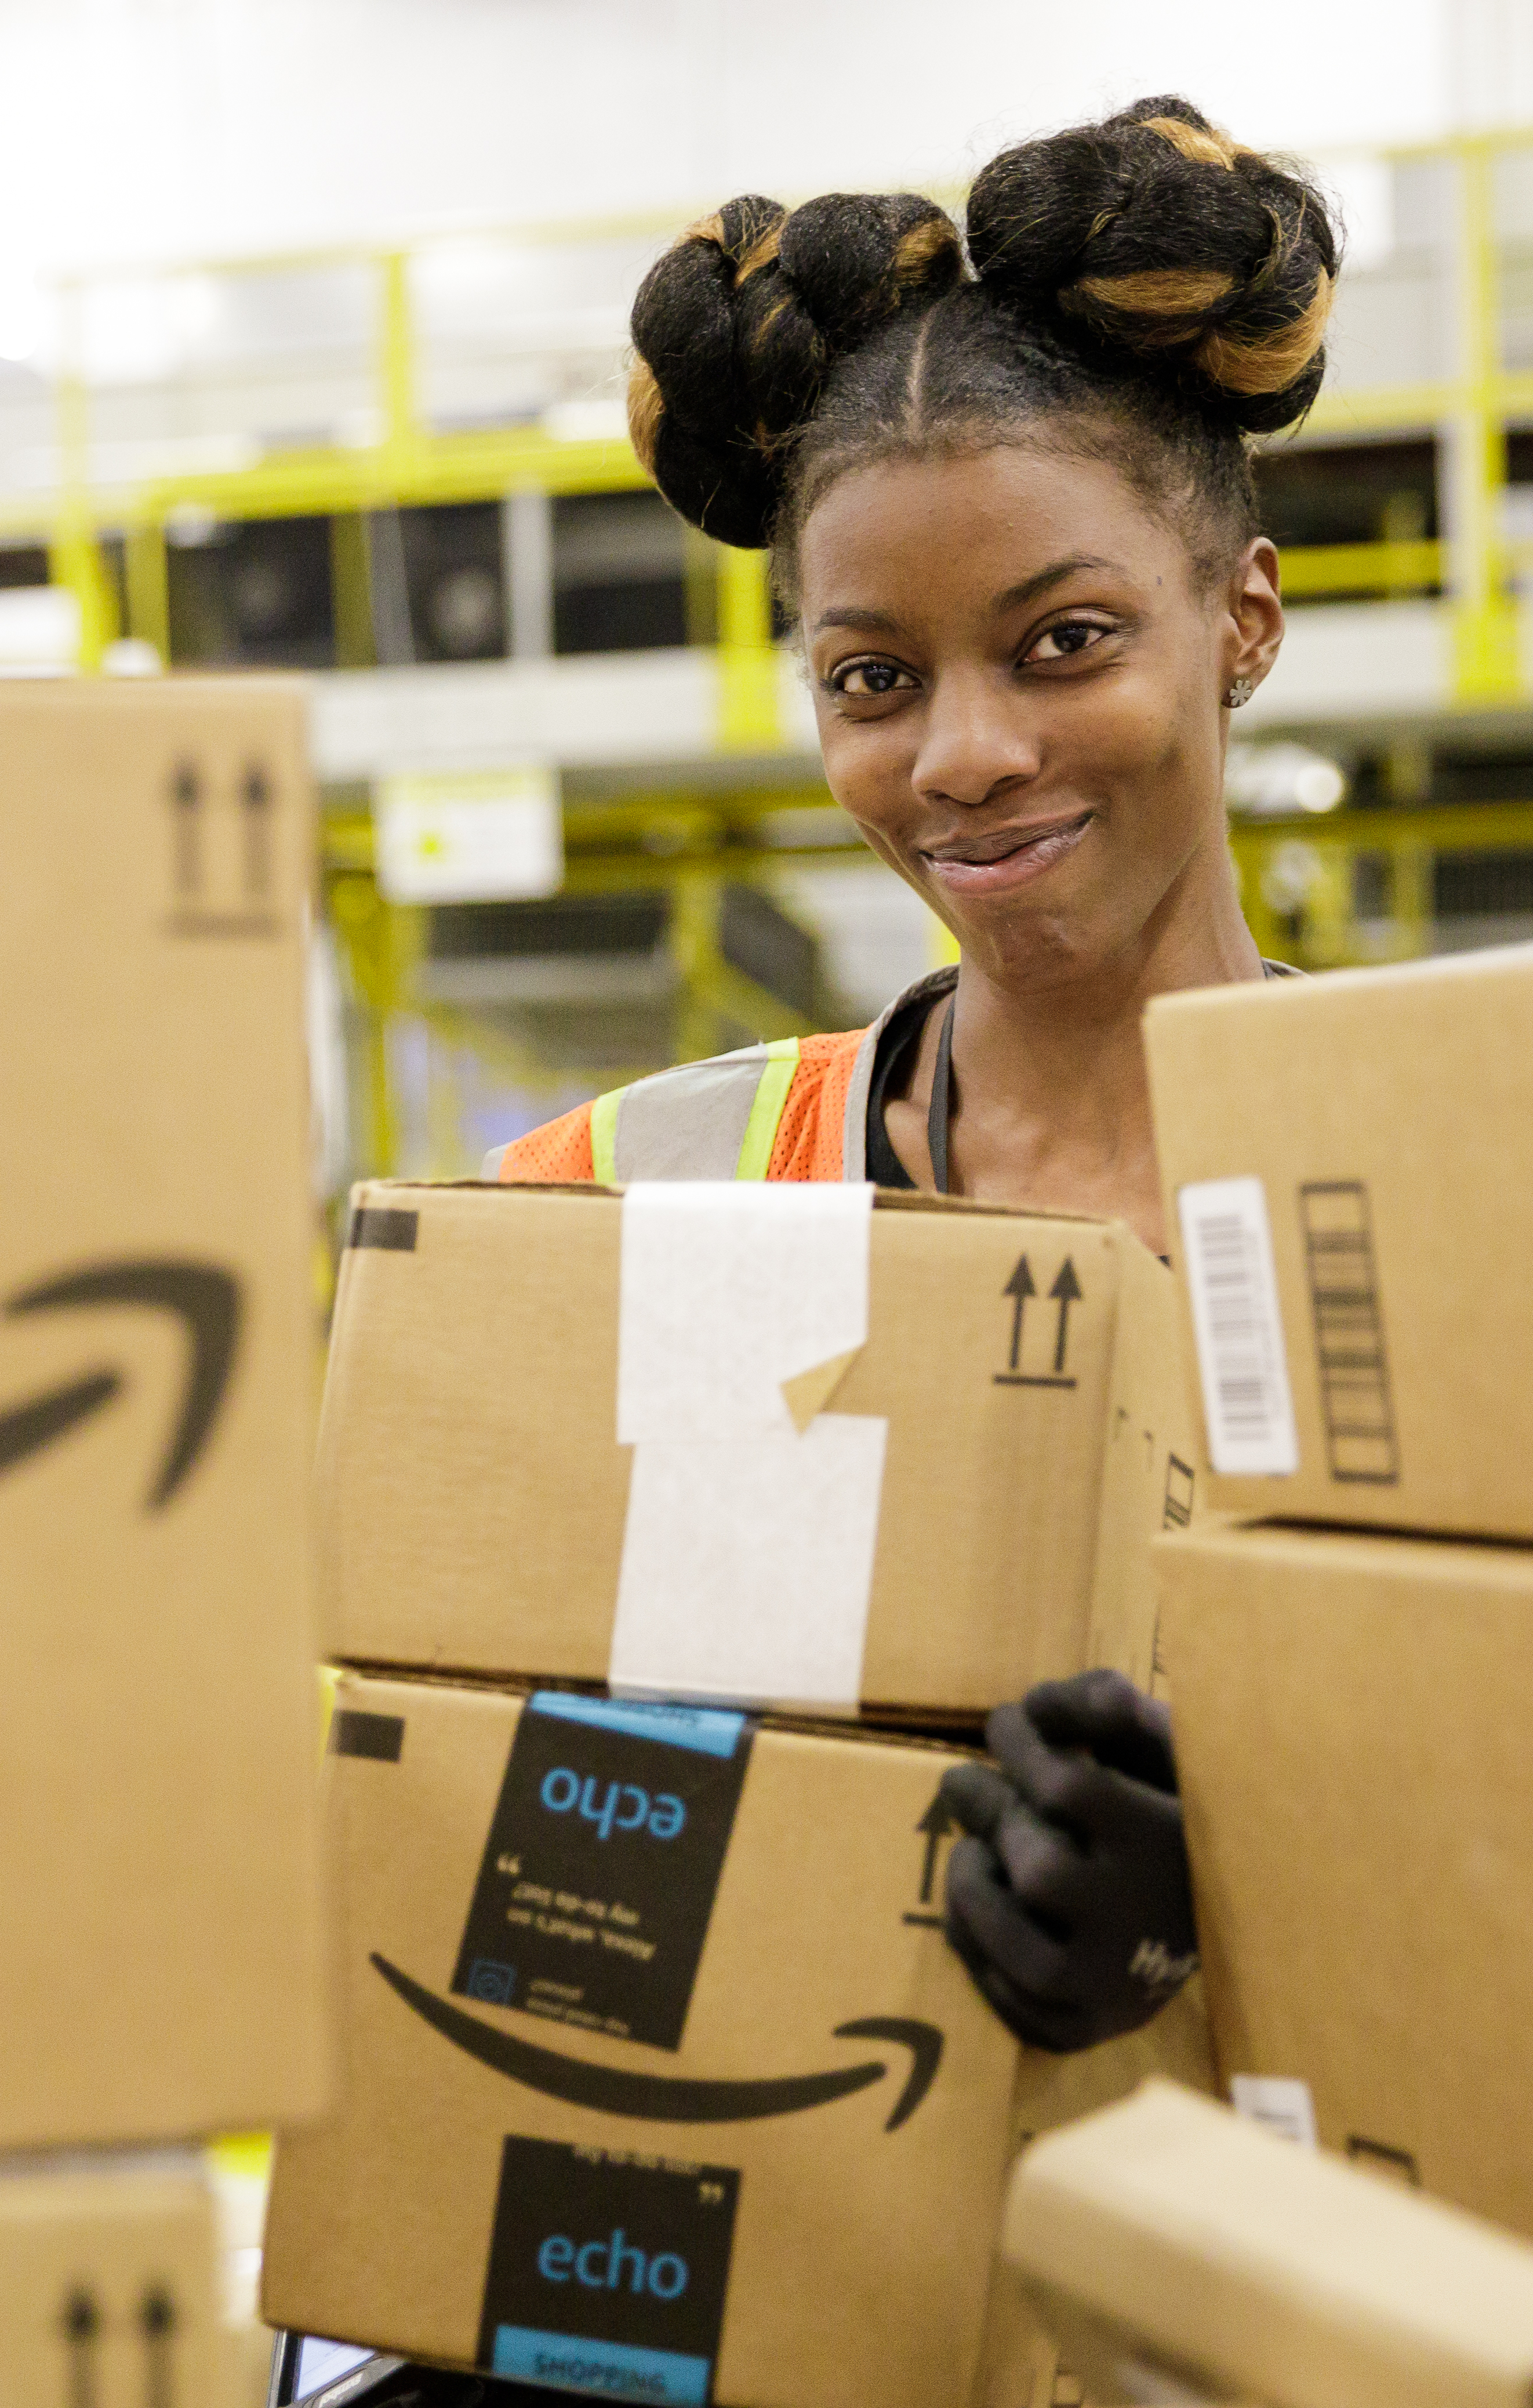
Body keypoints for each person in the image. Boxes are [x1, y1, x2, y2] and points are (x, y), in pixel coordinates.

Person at [492, 97, 1342, 2058]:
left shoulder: (1460, 1205)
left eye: (1061, 642)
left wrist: (1248, 1893)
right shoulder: (614, 1202)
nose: (958, 755)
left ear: (1242, 619)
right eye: (870, 679)